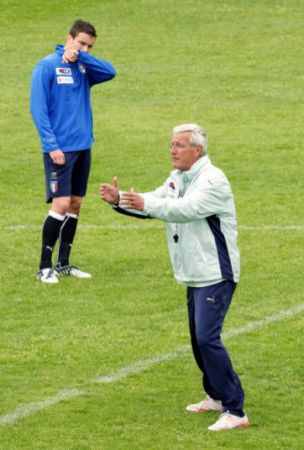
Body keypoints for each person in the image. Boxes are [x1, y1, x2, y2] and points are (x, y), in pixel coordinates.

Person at [100, 123, 249, 431]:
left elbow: (184, 209)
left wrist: (145, 203)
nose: (173, 150)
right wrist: (120, 199)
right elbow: (154, 202)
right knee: (198, 339)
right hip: (194, 272)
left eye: (180, 145)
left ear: (198, 149)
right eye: (171, 144)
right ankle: (217, 396)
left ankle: (236, 410)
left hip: (215, 273)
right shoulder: (177, 178)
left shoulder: (213, 180)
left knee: (207, 337)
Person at [31, 19, 116, 284]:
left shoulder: (83, 67)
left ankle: (64, 263)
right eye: (81, 43)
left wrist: (81, 57)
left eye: (89, 45)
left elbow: (110, 71)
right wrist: (50, 145)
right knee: (61, 204)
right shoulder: (46, 67)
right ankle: (45, 267)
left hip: (83, 147)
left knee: (76, 204)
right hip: (60, 149)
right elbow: (38, 109)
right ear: (68, 38)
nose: (86, 48)